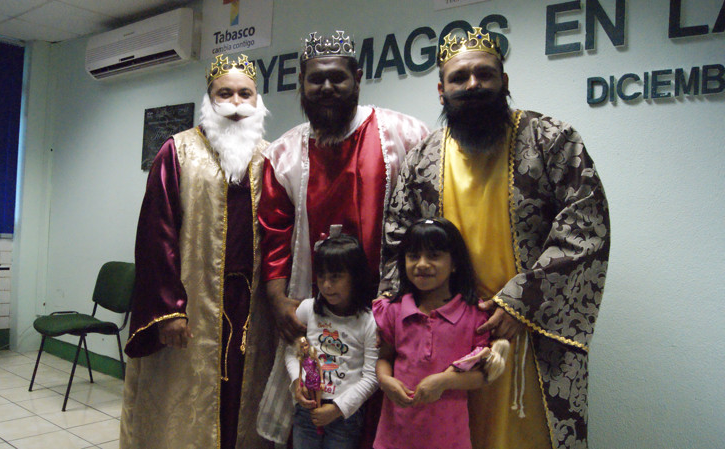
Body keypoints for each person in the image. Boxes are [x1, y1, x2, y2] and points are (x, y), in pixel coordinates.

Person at [379, 28, 611, 449]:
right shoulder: (420, 159)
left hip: (527, 335)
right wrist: (392, 331)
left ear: (503, 81)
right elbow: (397, 244)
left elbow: (585, 226)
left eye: (484, 74)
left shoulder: (552, 140)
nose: (473, 84)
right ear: (441, 91)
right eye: (459, 77)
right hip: (440, 347)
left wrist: (521, 302)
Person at [257, 30, 429, 445]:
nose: (327, 87)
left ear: (357, 79)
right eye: (316, 79)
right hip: (313, 309)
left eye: (338, 77)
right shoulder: (282, 153)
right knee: (312, 408)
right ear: (301, 83)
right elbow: (274, 233)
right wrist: (278, 299)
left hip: (386, 308)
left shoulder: (405, 134)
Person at [119, 54, 275, 449]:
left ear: (257, 100)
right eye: (225, 93)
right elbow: (156, 236)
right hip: (191, 301)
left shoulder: (271, 157)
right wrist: (169, 309)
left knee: (243, 397)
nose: (236, 103)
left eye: (245, 94)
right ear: (209, 98)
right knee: (184, 401)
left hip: (252, 306)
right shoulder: (177, 152)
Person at [373, 218, 509, 449]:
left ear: (454, 263)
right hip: (394, 435)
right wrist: (386, 381)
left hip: (448, 437)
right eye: (413, 256)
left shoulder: (473, 315)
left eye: (434, 256)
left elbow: (483, 375)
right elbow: (385, 357)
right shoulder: (394, 310)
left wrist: (445, 381)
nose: (422, 264)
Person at [284, 230, 378, 449]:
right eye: (321, 276)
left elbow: (371, 377)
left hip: (345, 416)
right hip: (307, 409)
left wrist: (337, 409)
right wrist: (297, 382)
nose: (326, 285)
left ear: (355, 276)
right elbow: (292, 351)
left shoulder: (369, 321)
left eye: (335, 277)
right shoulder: (308, 309)